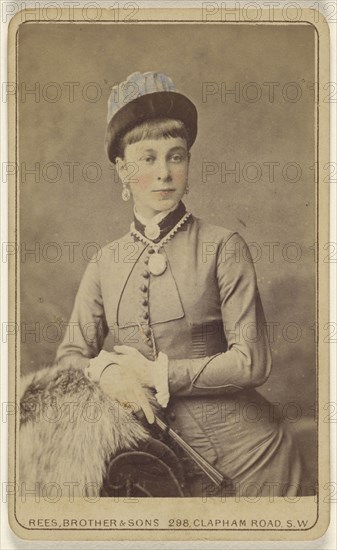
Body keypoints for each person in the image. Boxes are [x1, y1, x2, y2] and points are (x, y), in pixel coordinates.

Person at [56, 71, 302, 497]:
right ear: (122, 169)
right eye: (148, 159)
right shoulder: (104, 263)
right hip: (161, 466)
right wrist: (107, 370)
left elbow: (252, 362)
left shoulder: (224, 246)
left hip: (255, 460)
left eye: (176, 156)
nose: (165, 174)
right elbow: (70, 358)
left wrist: (157, 374)